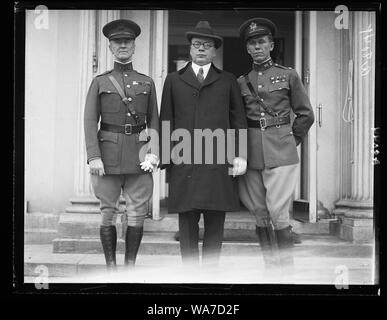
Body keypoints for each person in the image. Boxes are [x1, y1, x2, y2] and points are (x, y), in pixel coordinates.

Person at [159, 21, 248, 267]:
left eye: (207, 45)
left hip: (217, 161)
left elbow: (238, 118)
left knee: (215, 221)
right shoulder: (173, 80)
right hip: (184, 160)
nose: (201, 49)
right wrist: (166, 157)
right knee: (186, 223)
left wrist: (240, 155)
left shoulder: (227, 80)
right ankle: (189, 275)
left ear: (214, 51)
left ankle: (210, 274)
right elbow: (166, 118)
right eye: (197, 45)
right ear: (189, 49)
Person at [237, 18, 314, 276]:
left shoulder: (288, 74)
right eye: (252, 43)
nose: (257, 47)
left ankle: (286, 271)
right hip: (251, 151)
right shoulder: (241, 82)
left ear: (271, 44)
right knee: (259, 212)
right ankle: (270, 269)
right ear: (247, 49)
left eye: (261, 42)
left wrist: (292, 140)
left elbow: (305, 114)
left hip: (281, 149)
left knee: (278, 212)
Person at [84, 19, 159, 270]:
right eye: (118, 42)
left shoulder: (147, 82)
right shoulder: (100, 81)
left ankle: (130, 267)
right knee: (108, 211)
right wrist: (93, 156)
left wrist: (154, 153)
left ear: (134, 46)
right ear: (110, 47)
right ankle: (110, 268)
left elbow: (155, 121)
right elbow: (89, 119)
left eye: (127, 41)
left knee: (137, 213)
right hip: (107, 156)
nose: (123, 45)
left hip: (139, 156)